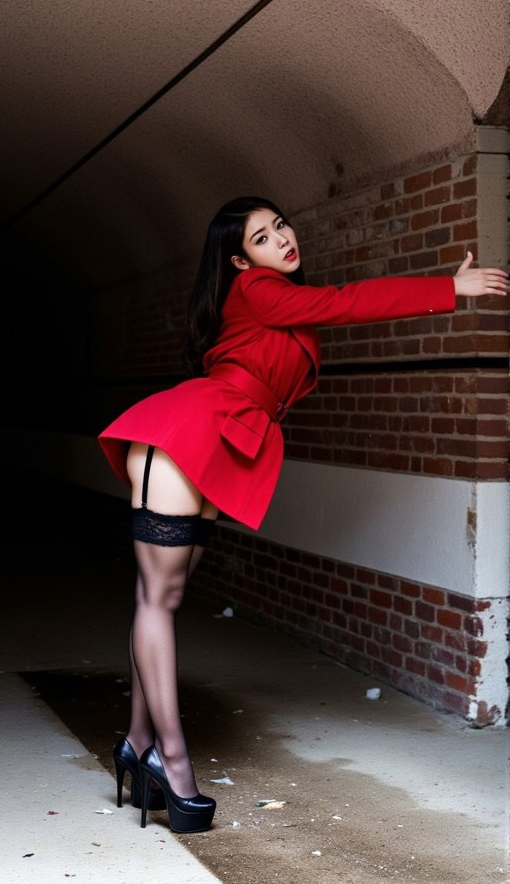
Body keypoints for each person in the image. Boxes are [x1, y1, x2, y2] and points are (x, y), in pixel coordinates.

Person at [98, 195, 509, 833]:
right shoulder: (259, 288)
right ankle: (173, 766)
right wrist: (448, 288)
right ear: (240, 259)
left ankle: (137, 743)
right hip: (186, 432)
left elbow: (315, 318)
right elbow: (345, 302)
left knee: (164, 595)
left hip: (221, 440)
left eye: (281, 225)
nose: (283, 239)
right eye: (263, 237)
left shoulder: (274, 299)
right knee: (158, 597)